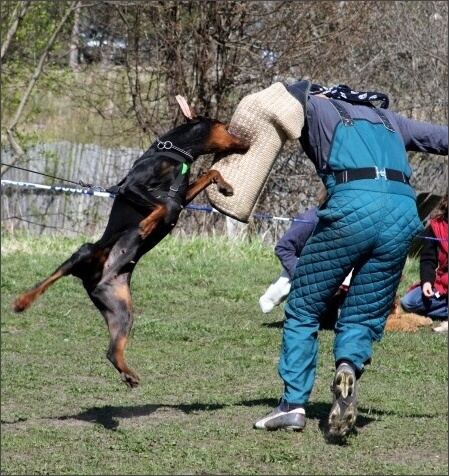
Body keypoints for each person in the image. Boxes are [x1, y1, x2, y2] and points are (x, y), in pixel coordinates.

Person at [240, 81, 448, 438]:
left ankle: (292, 406)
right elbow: (440, 139)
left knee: (304, 307)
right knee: (363, 312)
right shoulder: (390, 119)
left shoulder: (314, 106)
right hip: (402, 214)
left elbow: (266, 108)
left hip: (352, 206)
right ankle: (348, 365)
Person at [259, 192, 353, 330]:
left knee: (329, 323)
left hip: (334, 272)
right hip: (308, 271)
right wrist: (300, 273)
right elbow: (284, 248)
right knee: (306, 320)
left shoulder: (349, 222)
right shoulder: (310, 220)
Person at [400, 192, 448, 332]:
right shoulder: (437, 226)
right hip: (443, 284)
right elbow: (428, 259)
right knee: (409, 302)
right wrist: (427, 282)